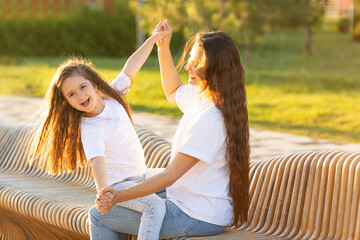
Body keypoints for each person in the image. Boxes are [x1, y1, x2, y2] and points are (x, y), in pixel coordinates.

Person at [92, 20, 250, 239]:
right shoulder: (204, 97)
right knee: (133, 188)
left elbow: (171, 174)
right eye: (190, 60)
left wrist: (119, 196)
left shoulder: (211, 120)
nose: (188, 67)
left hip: (197, 216)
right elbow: (174, 91)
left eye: (197, 63)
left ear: (216, 70)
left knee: (99, 216)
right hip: (187, 201)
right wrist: (163, 47)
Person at [28, 30, 171, 240]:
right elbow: (97, 161)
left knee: (176, 179)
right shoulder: (90, 127)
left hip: (141, 175)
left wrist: (153, 40)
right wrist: (103, 193)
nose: (80, 96)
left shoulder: (112, 96)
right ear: (67, 102)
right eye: (71, 95)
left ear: (94, 85)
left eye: (83, 87)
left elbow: (131, 68)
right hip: (119, 185)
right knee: (155, 207)